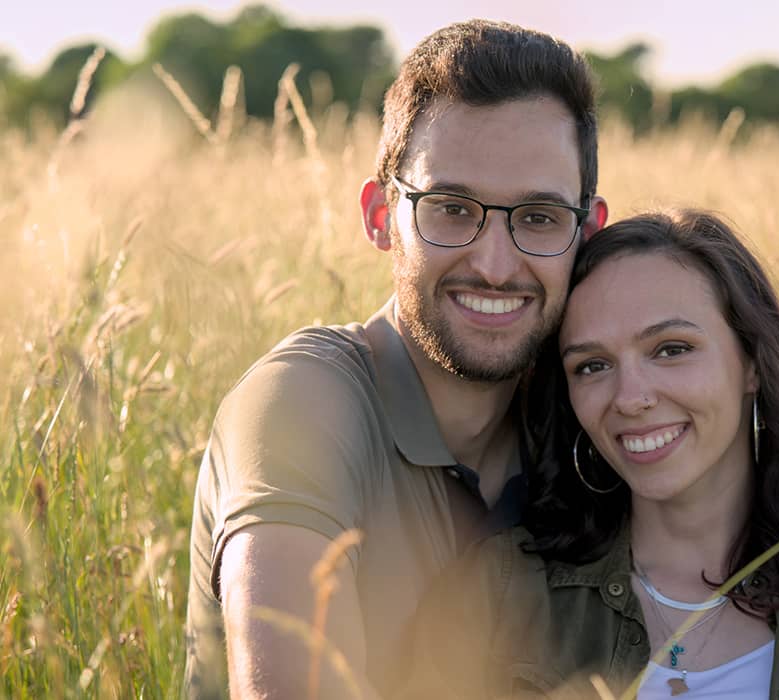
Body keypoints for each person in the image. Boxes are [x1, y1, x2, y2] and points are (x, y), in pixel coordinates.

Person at [183, 20, 608, 699]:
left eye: (538, 217)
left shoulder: (599, 424)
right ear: (381, 216)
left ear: (586, 232)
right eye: (450, 208)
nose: (495, 266)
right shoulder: (302, 403)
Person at [402, 210, 779, 699]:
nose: (631, 397)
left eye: (671, 349)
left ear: (752, 362)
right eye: (592, 366)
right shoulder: (499, 592)